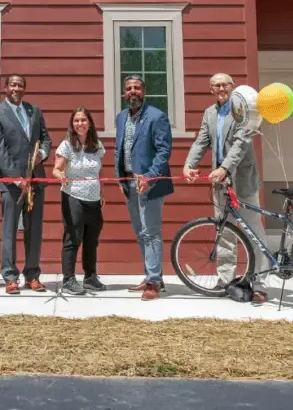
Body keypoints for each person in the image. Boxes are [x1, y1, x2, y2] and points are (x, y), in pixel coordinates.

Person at [183, 73, 268, 305]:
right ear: (211, 89)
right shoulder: (209, 113)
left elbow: (242, 143)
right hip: (220, 182)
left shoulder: (242, 108)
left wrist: (224, 168)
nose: (221, 88)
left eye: (225, 84)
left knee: (253, 230)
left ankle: (260, 284)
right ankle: (225, 279)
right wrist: (189, 163)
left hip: (242, 179)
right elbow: (202, 140)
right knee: (225, 231)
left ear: (232, 87)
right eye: (216, 85)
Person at [0, 74, 52, 294]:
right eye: (12, 85)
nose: (16, 88)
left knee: (34, 230)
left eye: (20, 85)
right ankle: (10, 277)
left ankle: (32, 275)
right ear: (5, 87)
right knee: (10, 230)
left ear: (25, 89)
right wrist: (16, 178)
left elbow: (45, 138)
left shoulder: (34, 111)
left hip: (36, 179)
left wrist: (41, 154)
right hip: (11, 184)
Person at [113, 74, 174, 301]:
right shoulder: (121, 118)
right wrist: (120, 177)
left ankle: (154, 282)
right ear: (123, 92)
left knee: (151, 232)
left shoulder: (157, 117)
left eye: (137, 88)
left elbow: (163, 151)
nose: (132, 91)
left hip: (150, 183)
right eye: (128, 88)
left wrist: (149, 177)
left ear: (144, 91)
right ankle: (151, 273)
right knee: (141, 233)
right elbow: (118, 149)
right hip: (129, 182)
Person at [52, 107, 106, 296]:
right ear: (72, 124)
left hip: (94, 199)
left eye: (83, 120)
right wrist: (60, 175)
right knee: (73, 238)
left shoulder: (97, 145)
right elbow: (56, 169)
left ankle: (90, 277)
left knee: (91, 240)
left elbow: (99, 172)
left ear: (89, 123)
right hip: (73, 196)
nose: (80, 124)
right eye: (76, 121)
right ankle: (68, 280)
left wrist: (102, 194)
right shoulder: (67, 145)